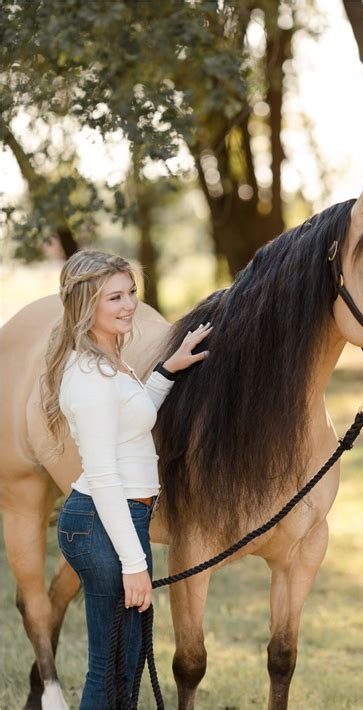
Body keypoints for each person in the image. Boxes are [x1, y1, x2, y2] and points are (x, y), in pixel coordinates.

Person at [41, 249, 212, 709]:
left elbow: (133, 418)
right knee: (111, 665)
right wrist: (134, 563)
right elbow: (102, 475)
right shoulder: (91, 375)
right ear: (85, 305)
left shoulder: (109, 361)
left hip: (115, 521)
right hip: (102, 521)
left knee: (128, 660)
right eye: (114, 297)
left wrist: (167, 370)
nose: (128, 305)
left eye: (131, 293)